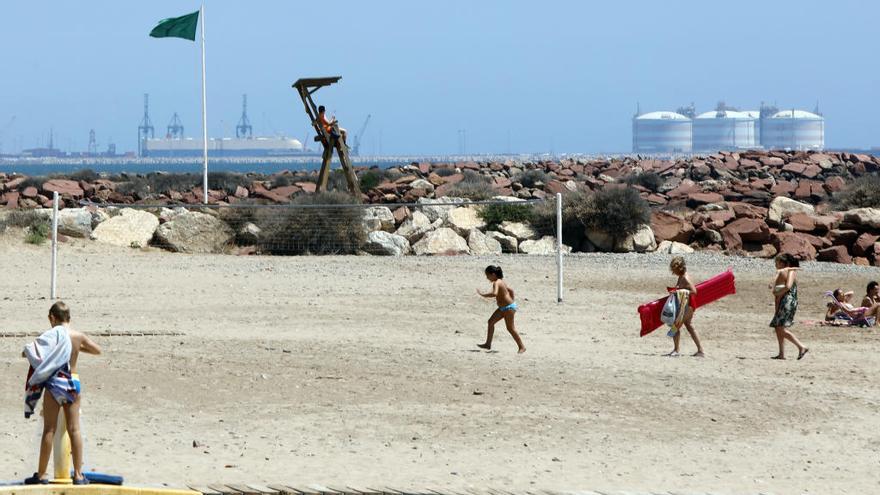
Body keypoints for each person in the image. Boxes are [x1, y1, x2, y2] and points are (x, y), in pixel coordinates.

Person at [23, 301, 101, 485]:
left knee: (49, 429)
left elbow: (32, 352)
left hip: (55, 383)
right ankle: (79, 475)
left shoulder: (51, 336)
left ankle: (41, 475)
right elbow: (98, 350)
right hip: (73, 381)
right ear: (69, 318)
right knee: (75, 429)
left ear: (52, 318)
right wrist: (78, 348)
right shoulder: (77, 336)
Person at [477, 265, 526, 354]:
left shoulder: (497, 283)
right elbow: (511, 290)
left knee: (510, 328)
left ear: (493, 274)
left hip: (508, 308)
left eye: (487, 275)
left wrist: (483, 295)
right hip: (504, 308)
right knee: (490, 322)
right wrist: (512, 300)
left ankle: (522, 347)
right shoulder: (500, 281)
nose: (487, 278)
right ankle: (488, 344)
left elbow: (494, 293)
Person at [770, 254, 808, 360]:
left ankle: (801, 346)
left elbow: (788, 286)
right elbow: (778, 294)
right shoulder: (784, 272)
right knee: (778, 328)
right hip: (784, 301)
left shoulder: (790, 271)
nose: (775, 265)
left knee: (780, 328)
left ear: (783, 263)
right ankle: (781, 353)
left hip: (788, 301)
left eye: (777, 263)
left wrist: (776, 291)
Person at [666, 256, 705, 358]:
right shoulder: (681, 276)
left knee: (676, 325)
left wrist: (679, 291)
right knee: (689, 326)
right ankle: (700, 350)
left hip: (688, 306)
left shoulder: (685, 278)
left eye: (674, 269)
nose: (673, 272)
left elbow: (694, 291)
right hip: (686, 305)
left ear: (679, 268)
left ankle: (676, 350)